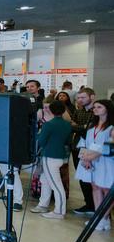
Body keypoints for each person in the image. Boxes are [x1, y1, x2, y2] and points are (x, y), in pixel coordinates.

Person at [30, 100, 73, 219]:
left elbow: (41, 141)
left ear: (52, 110)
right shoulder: (67, 124)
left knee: (56, 185)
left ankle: (59, 211)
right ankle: (43, 204)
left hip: (50, 156)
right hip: (60, 155)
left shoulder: (49, 124)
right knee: (45, 181)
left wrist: (39, 134)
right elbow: (68, 141)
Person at [75, 100, 113, 231]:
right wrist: (85, 158)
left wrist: (91, 156)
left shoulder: (111, 128)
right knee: (95, 187)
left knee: (107, 190)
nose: (95, 109)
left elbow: (108, 147)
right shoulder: (92, 126)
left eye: (99, 107)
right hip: (92, 162)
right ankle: (99, 217)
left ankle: (103, 218)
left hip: (107, 162)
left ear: (107, 109)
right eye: (95, 107)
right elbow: (84, 143)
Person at [71, 88, 97, 215]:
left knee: (94, 178)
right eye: (78, 98)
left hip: (93, 148)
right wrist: (81, 127)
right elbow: (72, 126)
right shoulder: (78, 111)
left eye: (83, 97)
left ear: (92, 97)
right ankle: (89, 204)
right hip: (78, 147)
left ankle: (97, 206)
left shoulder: (97, 111)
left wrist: (78, 127)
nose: (80, 100)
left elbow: (91, 129)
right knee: (82, 177)